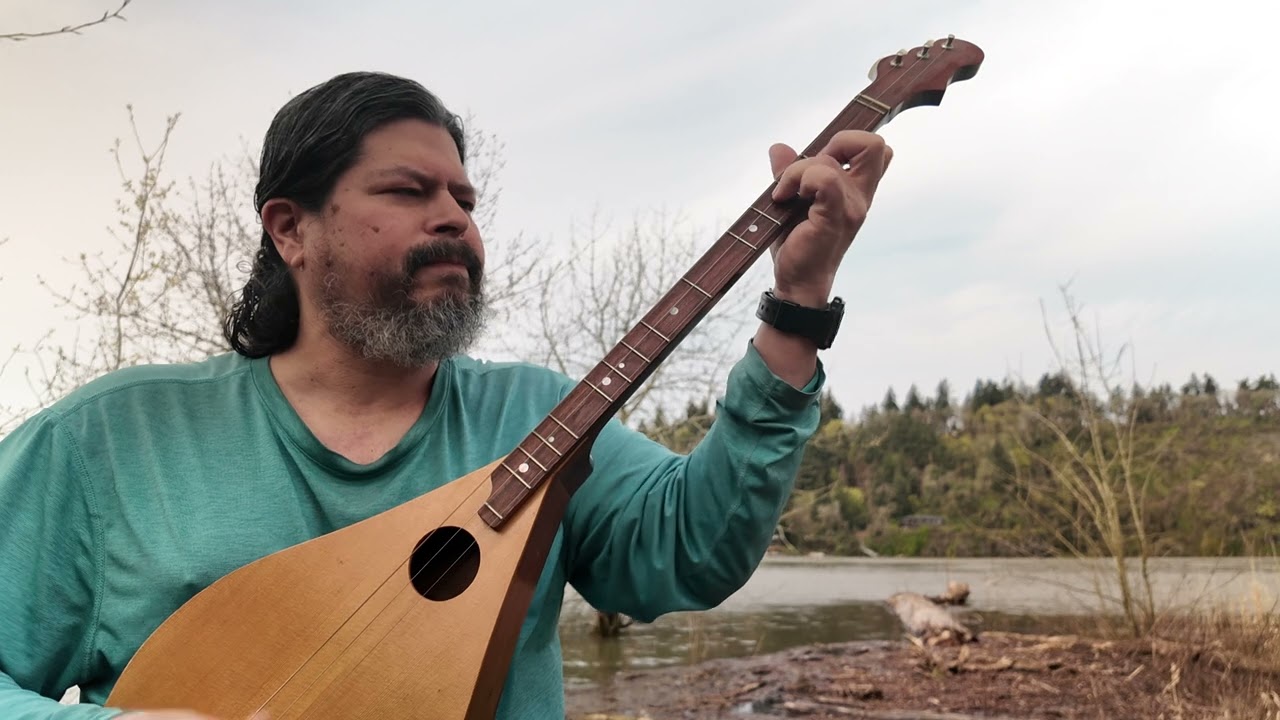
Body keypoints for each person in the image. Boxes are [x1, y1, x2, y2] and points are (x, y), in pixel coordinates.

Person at [0, 71, 891, 719]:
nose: (455, 217)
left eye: (464, 197)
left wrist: (798, 305)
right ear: (289, 229)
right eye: (408, 190)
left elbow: (694, 550)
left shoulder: (537, 419)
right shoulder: (113, 438)